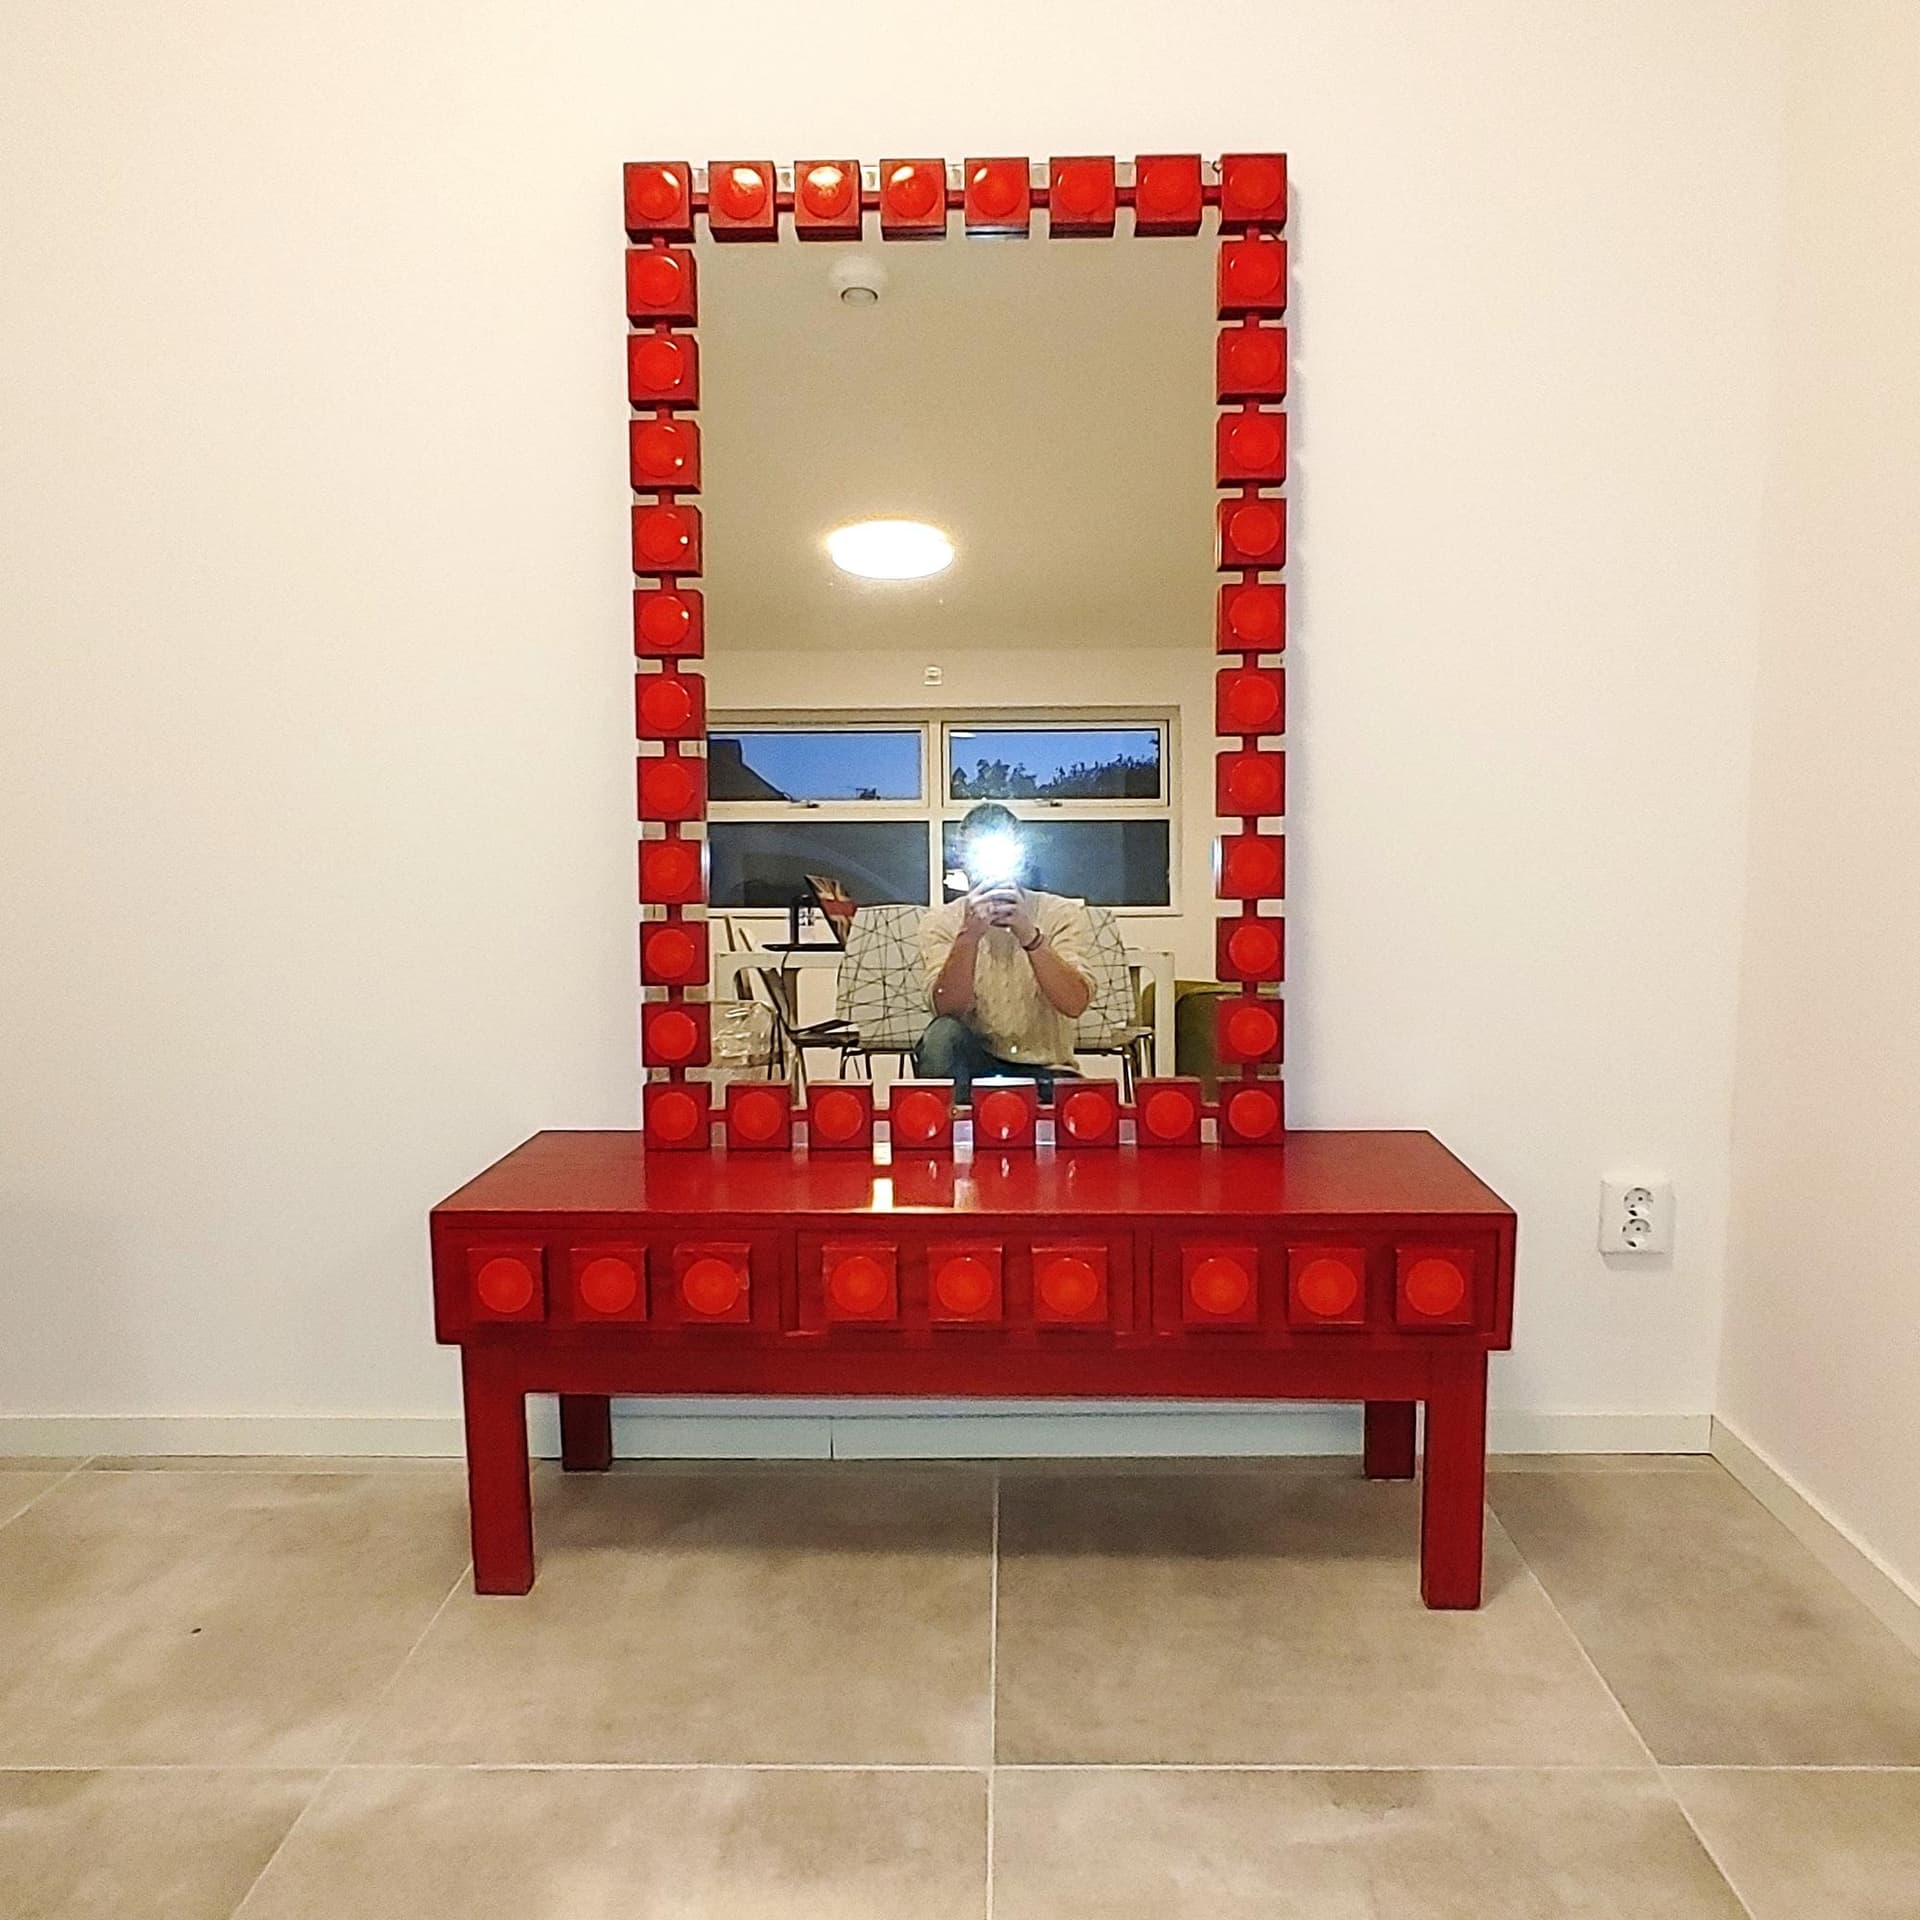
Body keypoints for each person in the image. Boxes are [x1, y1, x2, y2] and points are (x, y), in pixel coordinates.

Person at [915, 803, 1095, 1099]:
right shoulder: (941, 922)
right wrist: (968, 937)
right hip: (975, 1065)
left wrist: (1030, 936)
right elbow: (947, 1009)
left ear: (1019, 856)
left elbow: (1074, 1003)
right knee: (941, 1035)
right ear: (961, 857)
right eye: (976, 855)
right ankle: (942, 1136)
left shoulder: (1060, 913)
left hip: (1047, 1070)